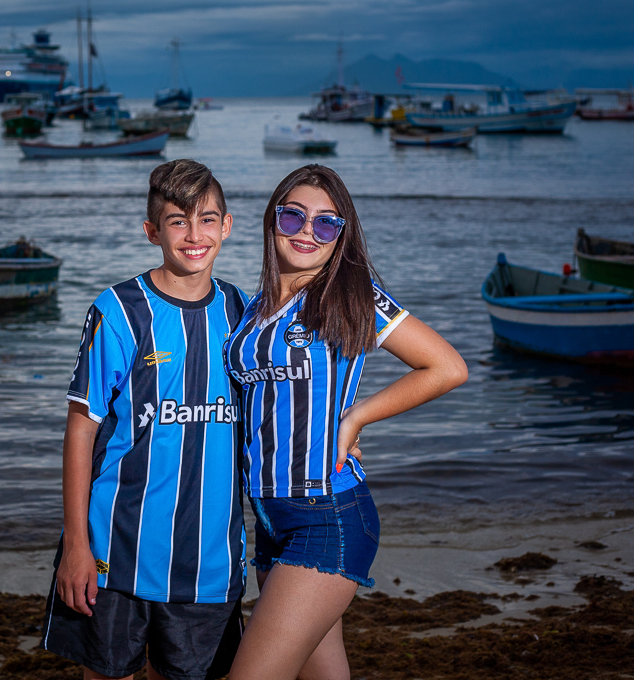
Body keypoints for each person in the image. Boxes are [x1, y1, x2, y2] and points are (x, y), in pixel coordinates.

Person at [225, 164, 468, 680]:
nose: (307, 232)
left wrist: (356, 418)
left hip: (328, 515)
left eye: (326, 223)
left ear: (341, 235)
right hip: (267, 519)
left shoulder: (351, 294)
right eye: (293, 216)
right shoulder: (252, 309)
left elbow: (446, 367)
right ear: (272, 220)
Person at [42, 159, 250, 680]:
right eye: (178, 221)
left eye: (207, 219)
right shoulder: (118, 311)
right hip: (116, 553)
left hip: (209, 564)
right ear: (152, 231)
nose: (194, 235)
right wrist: (76, 545)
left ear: (227, 226)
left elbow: (284, 403)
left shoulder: (244, 313)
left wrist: (345, 430)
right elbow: (81, 429)